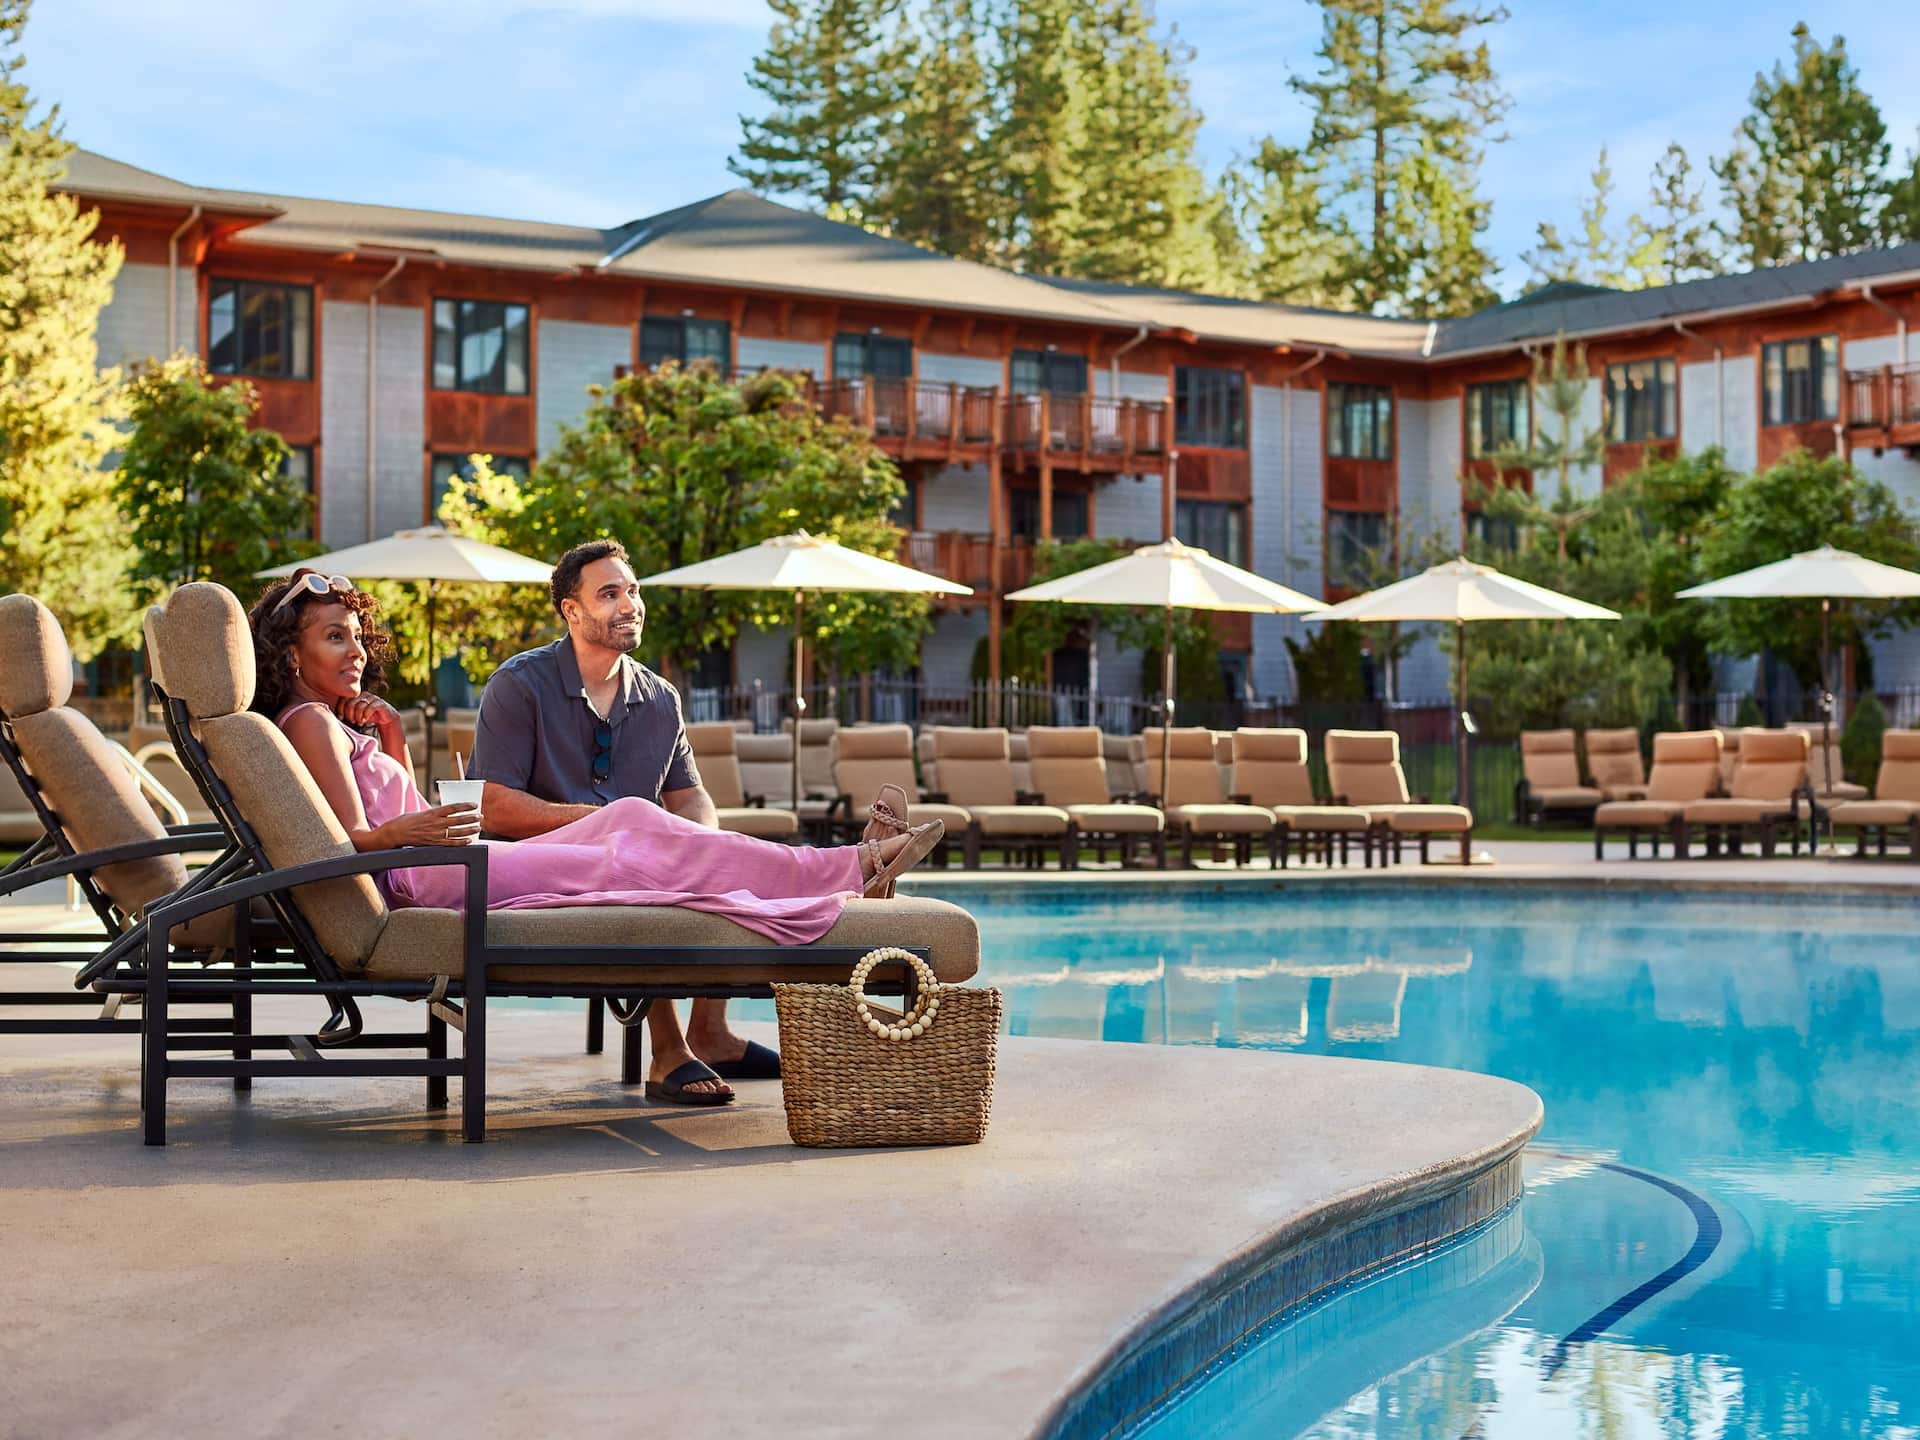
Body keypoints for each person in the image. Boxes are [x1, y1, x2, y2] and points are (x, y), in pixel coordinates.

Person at [249, 568, 941, 1107]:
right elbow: (351, 842)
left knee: (635, 824)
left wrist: (391, 735)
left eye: (355, 636)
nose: (356, 652)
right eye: (333, 637)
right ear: (290, 652)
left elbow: (378, 814)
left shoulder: (327, 721)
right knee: (637, 836)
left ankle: (841, 868)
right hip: (435, 875)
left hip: (438, 864)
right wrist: (419, 827)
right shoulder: (309, 722)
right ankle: (848, 868)